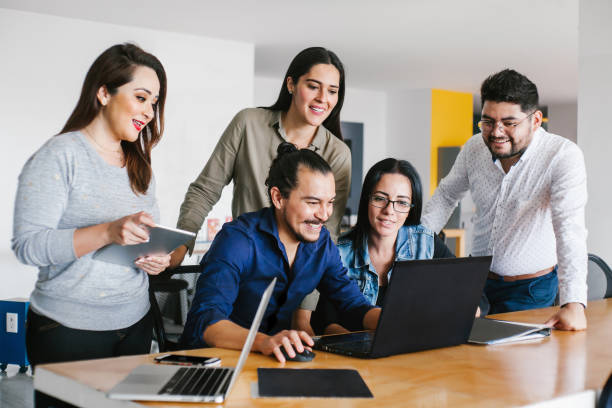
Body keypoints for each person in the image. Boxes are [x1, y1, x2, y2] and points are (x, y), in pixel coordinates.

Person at [12, 43, 170, 367]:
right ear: (103, 94)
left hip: (136, 323)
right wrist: (108, 232)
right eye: (141, 98)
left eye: (154, 103)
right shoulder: (60, 155)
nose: (149, 112)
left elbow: (142, 240)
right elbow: (28, 247)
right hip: (66, 330)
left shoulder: (140, 166)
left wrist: (156, 258)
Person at [180, 143, 380, 362]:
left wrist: (394, 323)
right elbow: (207, 320)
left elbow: (353, 305)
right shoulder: (237, 240)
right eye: (313, 202)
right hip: (210, 363)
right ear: (278, 198)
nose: (324, 215)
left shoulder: (322, 244)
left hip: (272, 361)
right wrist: (264, 341)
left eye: (329, 203)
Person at [422, 69, 588, 331]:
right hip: (475, 283)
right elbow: (446, 195)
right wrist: (413, 246)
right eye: (488, 121)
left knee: (514, 368)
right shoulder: (474, 148)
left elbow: (570, 230)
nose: (496, 132)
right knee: (464, 361)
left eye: (509, 123)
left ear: (535, 120)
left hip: (530, 290)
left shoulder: (562, 156)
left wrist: (574, 303)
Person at [170, 46, 351, 269]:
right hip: (242, 266)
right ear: (291, 84)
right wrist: (180, 246)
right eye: (313, 86)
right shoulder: (248, 124)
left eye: (332, 91)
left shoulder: (338, 153)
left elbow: (328, 232)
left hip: (295, 277)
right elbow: (205, 190)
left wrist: (306, 301)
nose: (323, 98)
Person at [307, 158, 459, 335]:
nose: (389, 210)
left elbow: (474, 297)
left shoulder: (425, 242)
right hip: (354, 355)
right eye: (380, 199)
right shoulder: (339, 251)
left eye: (401, 202)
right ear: (366, 199)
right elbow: (324, 323)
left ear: (411, 207)